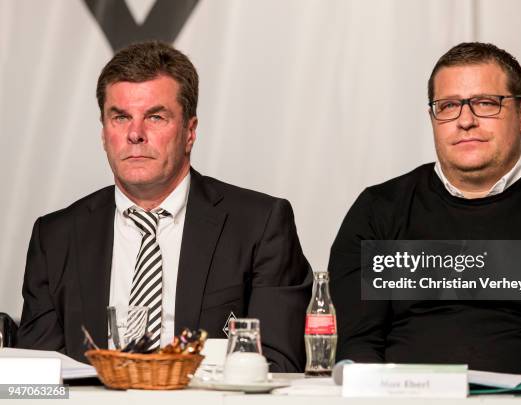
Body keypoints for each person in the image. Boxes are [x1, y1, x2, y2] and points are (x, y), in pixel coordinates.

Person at [17, 41, 312, 372]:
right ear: (103, 133)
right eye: (120, 117)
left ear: (189, 132)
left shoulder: (259, 225)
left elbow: (279, 364)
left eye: (155, 117)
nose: (135, 134)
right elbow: (35, 379)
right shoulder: (55, 237)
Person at [328, 42, 521, 374]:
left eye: (485, 103)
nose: (465, 120)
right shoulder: (378, 211)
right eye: (448, 106)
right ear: (433, 118)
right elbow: (359, 344)